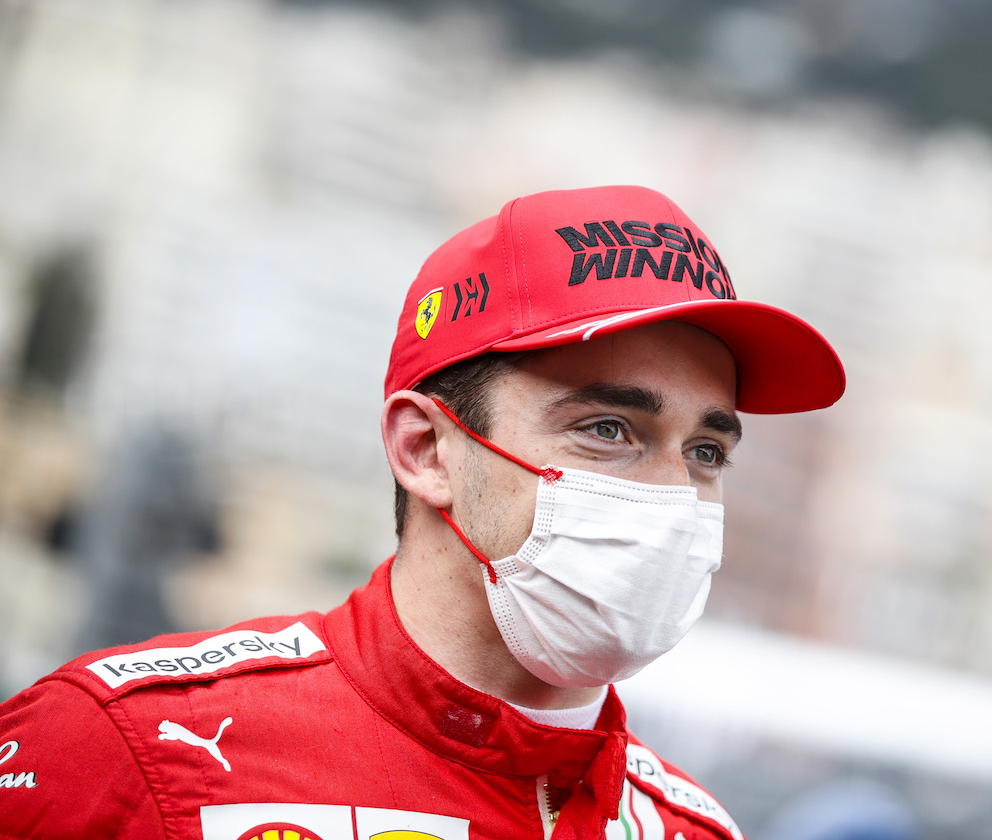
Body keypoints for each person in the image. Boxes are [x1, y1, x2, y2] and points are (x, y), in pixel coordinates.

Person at [0, 185, 845, 839]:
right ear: (426, 449)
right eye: (608, 428)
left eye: (706, 451)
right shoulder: (120, 744)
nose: (671, 495)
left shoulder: (695, 829)